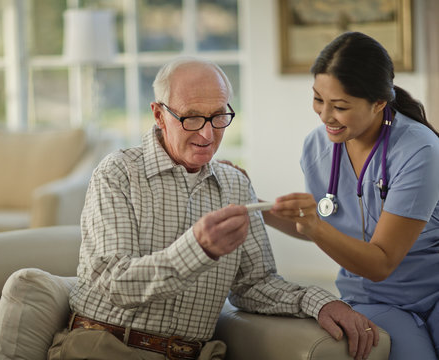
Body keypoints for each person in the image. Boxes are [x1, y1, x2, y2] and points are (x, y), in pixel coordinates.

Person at [48, 56, 379, 360]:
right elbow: (117, 284)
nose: (208, 133)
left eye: (219, 116)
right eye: (192, 118)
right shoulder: (118, 173)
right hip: (104, 346)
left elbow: (254, 285)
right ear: (159, 114)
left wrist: (320, 302)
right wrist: (198, 248)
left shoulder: (235, 184)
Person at [265, 32, 439, 359]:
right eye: (318, 99)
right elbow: (324, 227)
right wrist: (258, 210)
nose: (324, 116)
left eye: (340, 106)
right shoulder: (317, 148)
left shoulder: (419, 150)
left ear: (378, 103)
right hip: (375, 299)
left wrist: (316, 226)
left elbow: (381, 260)